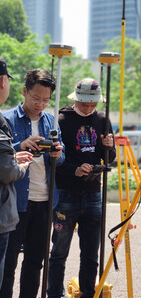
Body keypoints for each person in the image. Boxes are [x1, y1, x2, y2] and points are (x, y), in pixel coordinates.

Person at [47, 78, 116, 298]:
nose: (88, 108)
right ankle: (54, 293)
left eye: (92, 104)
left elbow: (110, 159)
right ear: (76, 98)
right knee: (59, 251)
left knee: (91, 254)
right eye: (84, 103)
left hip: (94, 193)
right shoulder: (61, 119)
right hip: (67, 193)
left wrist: (109, 148)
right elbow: (54, 160)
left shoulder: (103, 119)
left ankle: (88, 293)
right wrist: (74, 169)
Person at [0, 69, 64, 298]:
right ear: (24, 91)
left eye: (46, 100)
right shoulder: (6, 118)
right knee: (7, 265)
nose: (40, 104)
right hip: (15, 203)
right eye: (36, 98)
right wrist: (21, 145)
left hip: (45, 202)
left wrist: (57, 154)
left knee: (35, 262)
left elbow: (61, 157)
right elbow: (3, 157)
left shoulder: (51, 121)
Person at [0, 59, 32, 287]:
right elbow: (7, 172)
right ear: (3, 82)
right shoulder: (4, 120)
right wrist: (19, 166)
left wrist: (11, 155)